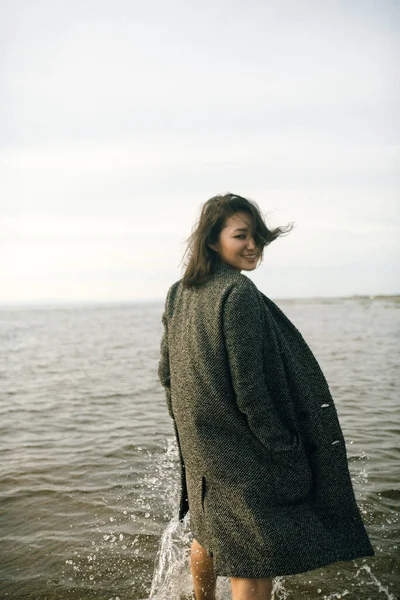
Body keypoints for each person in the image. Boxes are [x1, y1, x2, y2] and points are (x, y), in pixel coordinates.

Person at [158, 193, 374, 600]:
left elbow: (167, 375)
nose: (253, 245)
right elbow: (251, 391)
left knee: (207, 534)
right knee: (256, 563)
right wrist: (284, 446)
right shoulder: (236, 293)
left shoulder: (178, 292)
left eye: (257, 236)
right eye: (241, 235)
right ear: (212, 240)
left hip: (202, 449)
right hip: (243, 455)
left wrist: (192, 433)